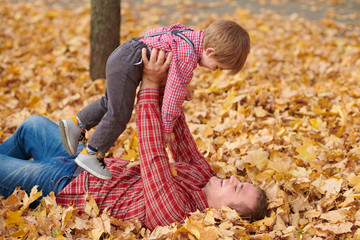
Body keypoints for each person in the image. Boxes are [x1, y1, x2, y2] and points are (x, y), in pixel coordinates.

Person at [0, 49, 266, 231]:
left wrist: (150, 85)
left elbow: (153, 151)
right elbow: (178, 134)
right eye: (240, 181)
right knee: (33, 125)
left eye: (237, 189)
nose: (233, 179)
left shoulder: (175, 214)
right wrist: (171, 88)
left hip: (61, 186)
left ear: (225, 215)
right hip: (86, 160)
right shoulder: (202, 175)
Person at [59, 20, 251, 180]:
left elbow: (166, 56)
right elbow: (172, 96)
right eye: (217, 67)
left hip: (125, 53)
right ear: (209, 51)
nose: (213, 70)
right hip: (130, 63)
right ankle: (93, 153)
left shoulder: (188, 37)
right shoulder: (188, 56)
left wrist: (183, 87)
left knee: (109, 103)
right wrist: (167, 128)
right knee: (119, 115)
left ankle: (76, 124)